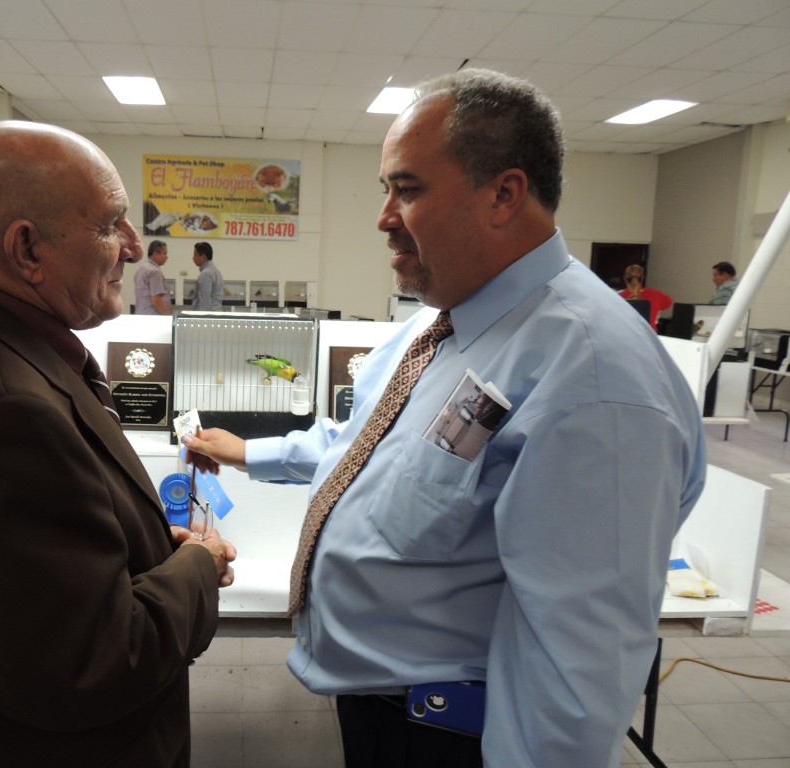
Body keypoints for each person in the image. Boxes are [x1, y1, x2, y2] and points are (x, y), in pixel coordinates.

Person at [182, 69, 706, 768]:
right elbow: (367, 448)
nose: (383, 217)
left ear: (503, 195)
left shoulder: (593, 376)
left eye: (408, 189)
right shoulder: (441, 323)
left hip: (457, 738)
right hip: (386, 711)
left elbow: (577, 664)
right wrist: (253, 453)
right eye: (385, 190)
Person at [0, 121, 236, 768]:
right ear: (27, 250)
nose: (135, 248)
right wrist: (196, 569)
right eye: (113, 224)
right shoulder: (8, 409)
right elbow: (88, 667)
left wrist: (150, 554)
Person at [618, 263, 672, 331]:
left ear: (625, 278)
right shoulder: (656, 294)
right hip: (650, 337)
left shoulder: (617, 297)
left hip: (626, 335)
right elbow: (668, 302)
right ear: (643, 278)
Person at [134, 239, 172, 315]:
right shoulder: (154, 272)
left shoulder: (142, 269)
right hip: (152, 317)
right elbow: (156, 300)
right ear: (155, 254)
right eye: (164, 253)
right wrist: (169, 317)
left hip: (141, 314)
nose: (166, 257)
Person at [190, 241, 223, 310]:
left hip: (208, 316)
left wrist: (201, 319)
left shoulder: (205, 274)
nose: (193, 258)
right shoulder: (215, 271)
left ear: (203, 257)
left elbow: (204, 302)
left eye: (195, 255)